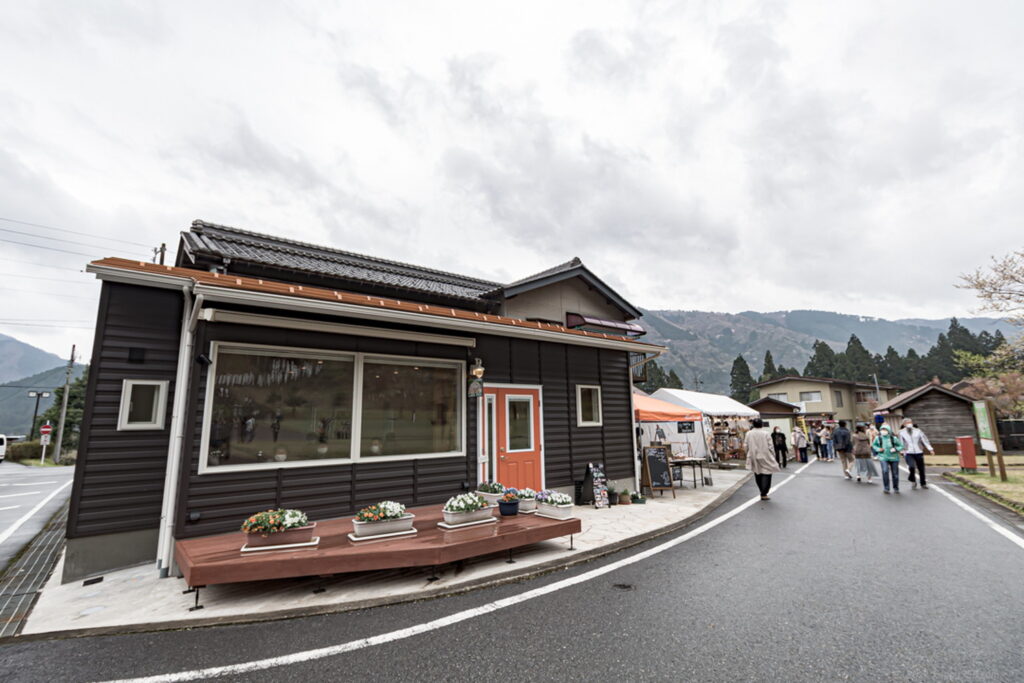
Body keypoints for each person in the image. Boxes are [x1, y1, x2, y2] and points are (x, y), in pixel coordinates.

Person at [745, 418, 780, 500]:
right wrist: (773, 456)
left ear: (753, 424)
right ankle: (764, 493)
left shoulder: (749, 433)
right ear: (762, 424)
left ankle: (762, 491)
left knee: (757, 473)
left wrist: (748, 453)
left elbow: (745, 445)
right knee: (767, 473)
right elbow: (771, 446)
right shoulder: (766, 433)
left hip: (753, 455)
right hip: (765, 455)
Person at [899, 418, 935, 490]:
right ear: (904, 424)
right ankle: (913, 480)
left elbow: (925, 440)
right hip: (908, 452)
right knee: (911, 467)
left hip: (919, 451)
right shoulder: (901, 432)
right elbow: (900, 442)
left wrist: (930, 449)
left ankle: (923, 483)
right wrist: (901, 450)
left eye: (910, 422)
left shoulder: (918, 431)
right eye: (907, 423)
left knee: (921, 469)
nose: (909, 424)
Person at [872, 425, 904, 494]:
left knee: (895, 474)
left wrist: (895, 449)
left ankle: (896, 488)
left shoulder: (893, 438)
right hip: (883, 457)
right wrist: (878, 449)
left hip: (894, 457)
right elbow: (874, 445)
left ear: (888, 430)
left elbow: (901, 446)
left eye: (885, 430)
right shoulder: (878, 438)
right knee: (885, 471)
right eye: (882, 430)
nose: (883, 431)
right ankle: (886, 488)